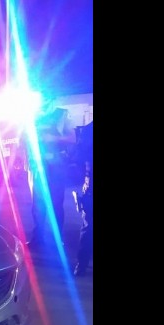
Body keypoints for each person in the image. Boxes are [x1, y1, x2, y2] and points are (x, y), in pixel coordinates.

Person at [27, 106, 75, 250]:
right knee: (38, 206)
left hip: (56, 169)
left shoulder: (62, 113)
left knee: (56, 205)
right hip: (40, 167)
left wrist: (53, 138)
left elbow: (72, 138)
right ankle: (38, 239)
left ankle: (57, 240)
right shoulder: (37, 117)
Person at [72, 120, 93, 276]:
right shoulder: (88, 130)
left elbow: (78, 159)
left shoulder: (88, 130)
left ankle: (82, 265)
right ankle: (81, 264)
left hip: (91, 185)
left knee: (88, 226)